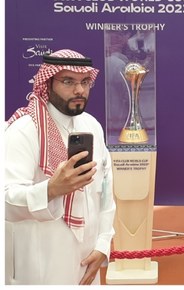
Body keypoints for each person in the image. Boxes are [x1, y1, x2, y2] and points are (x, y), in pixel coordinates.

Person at [5, 49, 115, 285]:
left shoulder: (92, 126)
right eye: (68, 81)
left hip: (88, 260)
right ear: (48, 82)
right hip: (42, 264)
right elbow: (5, 202)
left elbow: (106, 192)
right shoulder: (25, 131)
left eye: (85, 82)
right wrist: (51, 189)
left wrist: (103, 245)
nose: (79, 90)